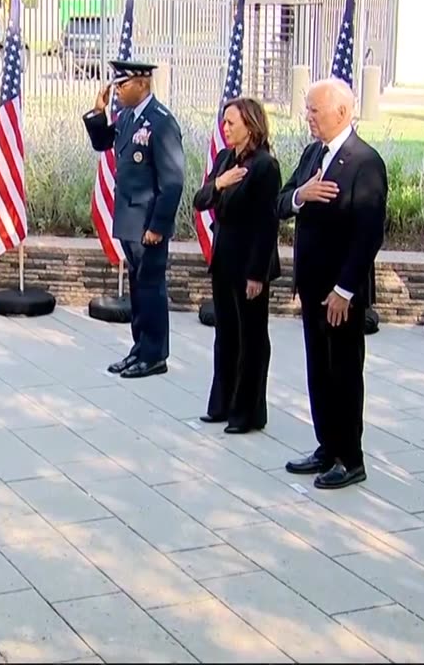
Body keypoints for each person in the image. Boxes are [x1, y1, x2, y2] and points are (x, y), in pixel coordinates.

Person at [276, 78, 387, 490]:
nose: (308, 118)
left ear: (341, 113)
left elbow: (368, 233)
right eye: (307, 110)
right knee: (318, 370)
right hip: (311, 284)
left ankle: (349, 457)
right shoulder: (311, 155)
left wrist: (345, 289)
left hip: (341, 291)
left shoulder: (365, 161)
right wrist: (301, 195)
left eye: (313, 111)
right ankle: (326, 444)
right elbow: (281, 203)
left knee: (343, 372)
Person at [83, 60, 185, 379]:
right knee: (139, 287)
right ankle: (140, 348)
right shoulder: (127, 117)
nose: (118, 91)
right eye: (116, 85)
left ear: (142, 83)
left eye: (123, 85)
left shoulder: (161, 122)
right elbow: (103, 143)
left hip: (148, 223)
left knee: (152, 287)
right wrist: (98, 114)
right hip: (129, 219)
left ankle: (155, 354)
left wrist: (158, 226)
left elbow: (173, 182)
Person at [192, 97, 281, 434]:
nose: (225, 128)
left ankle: (248, 412)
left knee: (251, 338)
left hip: (250, 262)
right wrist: (219, 183)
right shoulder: (225, 159)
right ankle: (222, 403)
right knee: (226, 334)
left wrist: (258, 273)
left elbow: (267, 223)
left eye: (232, 123)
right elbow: (201, 200)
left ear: (250, 124)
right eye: (224, 123)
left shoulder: (265, 166)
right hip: (225, 257)